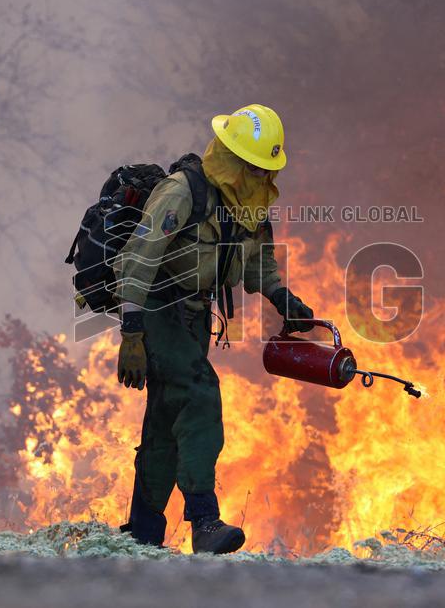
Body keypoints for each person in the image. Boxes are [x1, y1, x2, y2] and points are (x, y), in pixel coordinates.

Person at [113, 104, 315, 554]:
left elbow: (258, 262)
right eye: (253, 166)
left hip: (196, 316)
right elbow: (137, 259)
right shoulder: (183, 191)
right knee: (201, 394)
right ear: (231, 158)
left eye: (267, 169)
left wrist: (282, 298)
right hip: (158, 308)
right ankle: (204, 520)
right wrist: (131, 335)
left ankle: (143, 532)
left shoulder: (250, 204)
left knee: (167, 418)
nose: (261, 176)